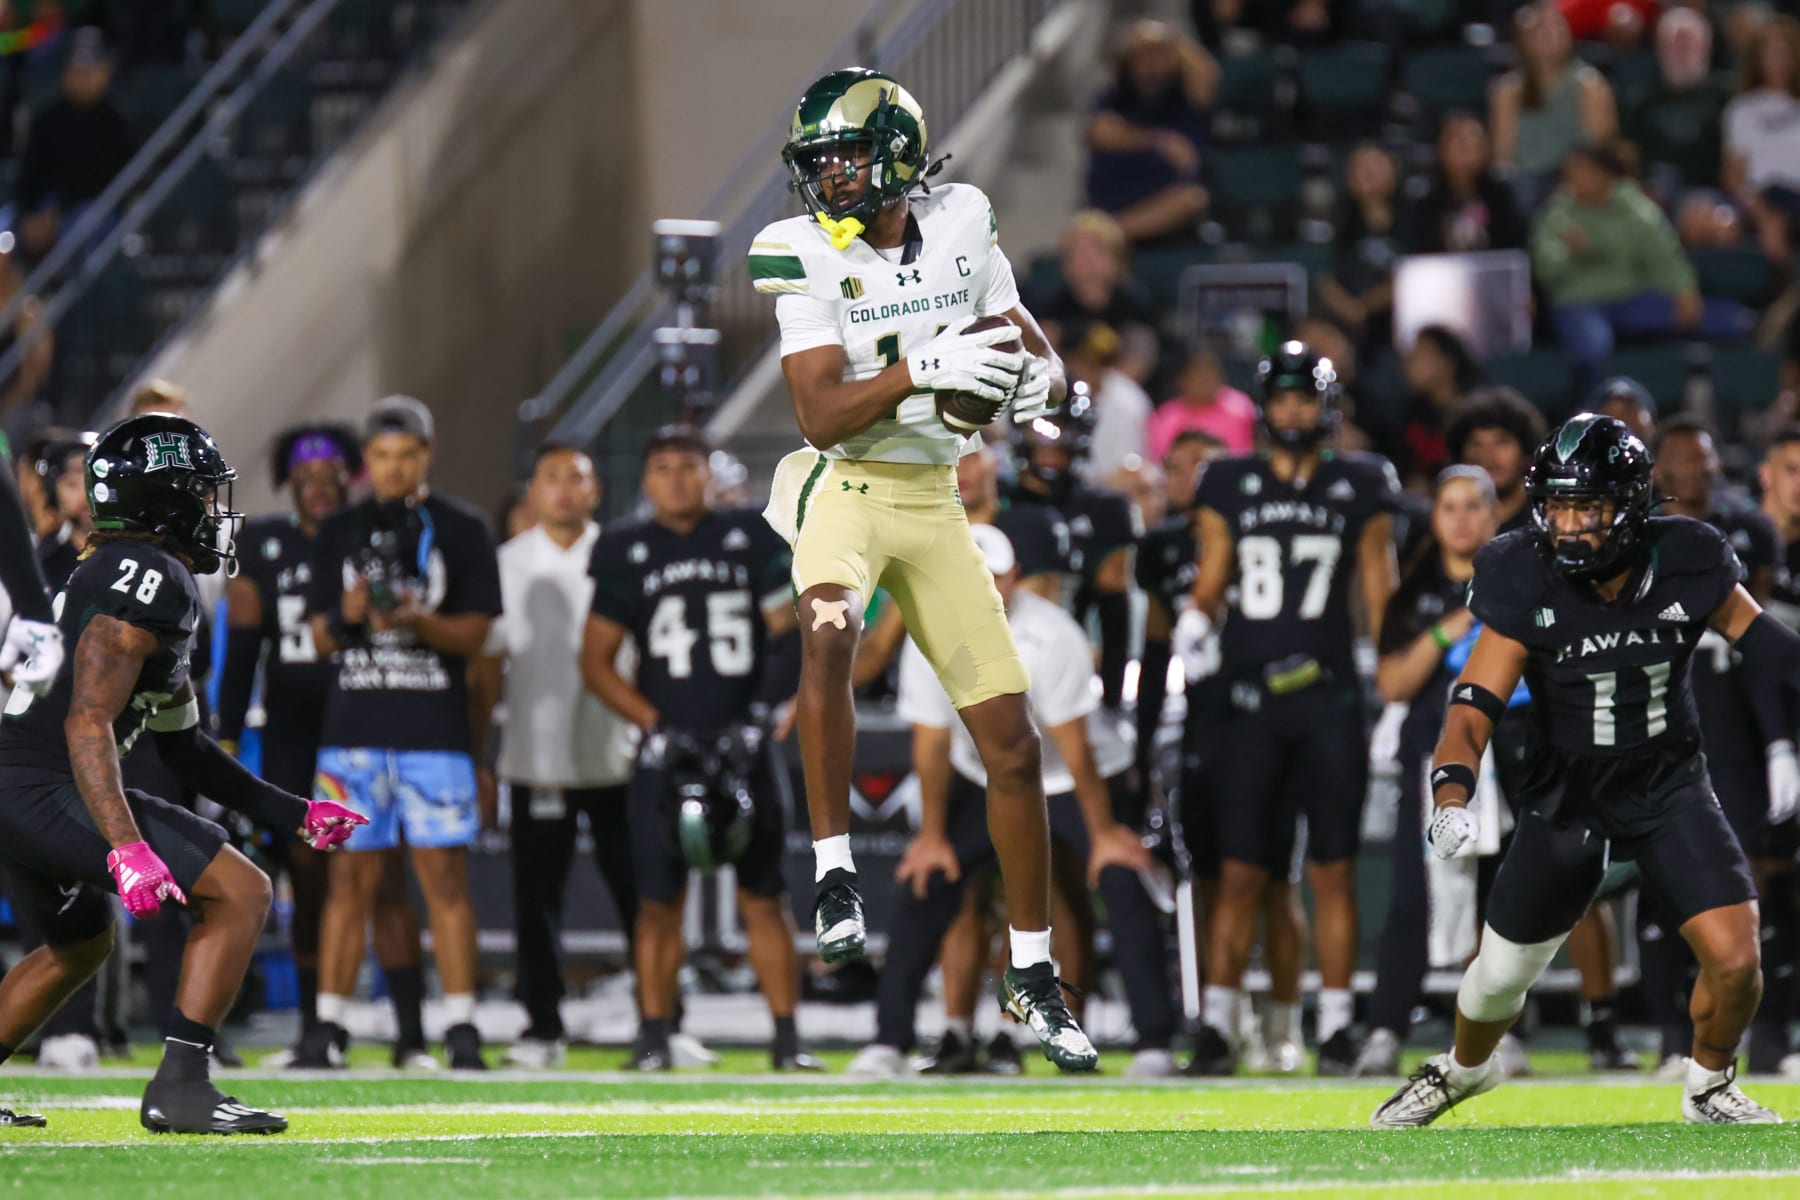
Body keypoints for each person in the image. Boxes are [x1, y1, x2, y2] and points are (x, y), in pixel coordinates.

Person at [751, 67, 1095, 1069]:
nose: (830, 178)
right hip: (845, 486)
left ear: (897, 150)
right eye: (818, 162)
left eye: (846, 155)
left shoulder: (965, 222)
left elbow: (1033, 352)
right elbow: (818, 412)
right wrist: (919, 372)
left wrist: (1047, 383)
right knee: (828, 636)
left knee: (1016, 744)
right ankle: (833, 873)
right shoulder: (802, 250)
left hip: (937, 497)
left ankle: (1032, 975)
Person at [1373, 413, 1785, 1128]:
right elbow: (1471, 710)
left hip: (1668, 786)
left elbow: (1768, 646)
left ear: (1627, 506)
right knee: (1497, 981)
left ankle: (1709, 1085)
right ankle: (1467, 1069)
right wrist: (1451, 793)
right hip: (1568, 798)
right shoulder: (1520, 572)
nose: (1567, 525)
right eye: (1556, 505)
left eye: (1586, 507)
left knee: (1737, 959)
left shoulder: (1689, 558)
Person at [0, 413, 364, 1132]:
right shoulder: (151, 576)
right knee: (241, 892)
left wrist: (293, 813)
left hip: (19, 782)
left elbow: (185, 751)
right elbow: (88, 721)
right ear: (162, 499)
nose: (211, 509)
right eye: (199, 494)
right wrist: (129, 848)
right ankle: (183, 1085)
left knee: (81, 943)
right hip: (41, 780)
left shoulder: (128, 574)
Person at [849, 525, 1162, 1077]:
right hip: (984, 774)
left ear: (1015, 579)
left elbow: (1076, 748)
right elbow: (932, 743)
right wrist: (932, 835)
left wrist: (1104, 832)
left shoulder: (1054, 634)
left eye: (993, 575)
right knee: (929, 880)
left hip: (1072, 779)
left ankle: (1155, 1043)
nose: (985, 587)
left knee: (1118, 877)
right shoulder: (931, 635)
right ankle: (889, 1040)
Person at [1186, 340, 1401, 1075]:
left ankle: (1336, 1025)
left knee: (1333, 871)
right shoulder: (1227, 482)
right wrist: (1194, 622)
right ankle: (1218, 1024)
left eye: (1302, 398)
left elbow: (1380, 589)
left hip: (1330, 696)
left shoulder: (1362, 482)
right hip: (1249, 700)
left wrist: (1393, 678)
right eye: (1280, 398)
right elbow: (1212, 576)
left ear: (1326, 406)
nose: (1292, 411)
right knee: (1242, 872)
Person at [582, 425, 814, 1071]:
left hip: (743, 739)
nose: (676, 478)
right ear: (645, 481)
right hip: (668, 748)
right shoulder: (626, 548)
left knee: (765, 896)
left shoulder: (750, 537)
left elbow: (788, 634)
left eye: (688, 465)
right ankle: (653, 1035)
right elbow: (595, 661)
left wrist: (761, 715)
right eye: (661, 466)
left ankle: (787, 1041)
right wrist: (656, 724)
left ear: (711, 474)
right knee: (657, 902)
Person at [216, 424, 431, 1069]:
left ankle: (411, 1032)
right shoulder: (265, 542)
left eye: (331, 475)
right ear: (289, 482)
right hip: (292, 726)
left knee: (384, 873)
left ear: (351, 477)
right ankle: (319, 1029)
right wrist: (225, 735)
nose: (318, 487)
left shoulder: (376, 532)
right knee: (310, 878)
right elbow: (245, 644)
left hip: (365, 715)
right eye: (306, 478)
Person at [300, 396, 502, 1071]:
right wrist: (349, 613)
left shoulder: (464, 528)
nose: (392, 467)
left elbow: (478, 635)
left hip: (435, 734)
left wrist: (420, 621)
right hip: (352, 733)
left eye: (405, 455)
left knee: (444, 882)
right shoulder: (336, 531)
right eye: (381, 456)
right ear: (368, 462)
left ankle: (463, 1026)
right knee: (347, 882)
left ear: (427, 453)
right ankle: (327, 1027)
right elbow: (319, 637)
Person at [472, 443, 639, 1069]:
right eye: (552, 478)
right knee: (536, 902)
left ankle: (660, 1021)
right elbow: (489, 667)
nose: (565, 489)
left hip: (620, 754)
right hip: (535, 758)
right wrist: (483, 755)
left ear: (595, 491)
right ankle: (542, 1027)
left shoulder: (624, 555)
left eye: (577, 478)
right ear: (533, 492)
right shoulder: (508, 564)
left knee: (642, 894)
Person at [1651, 417, 1794, 1073]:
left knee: (1756, 876)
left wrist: (1780, 743)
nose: (1696, 471)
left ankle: (1764, 1037)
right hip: (1650, 723)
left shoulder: (1743, 536)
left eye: (1704, 459)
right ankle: (1666, 1037)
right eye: (1682, 459)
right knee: (1661, 884)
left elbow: (1755, 640)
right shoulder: (1636, 539)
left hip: (1732, 722)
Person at [1358, 467, 1501, 1077]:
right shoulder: (1415, 590)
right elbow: (1393, 682)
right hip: (1433, 763)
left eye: (1474, 506)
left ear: (1494, 514)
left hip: (1508, 760)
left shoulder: (1518, 584)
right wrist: (1452, 627)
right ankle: (1387, 1029)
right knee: (1410, 901)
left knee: (1501, 905)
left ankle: (1497, 1035)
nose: (1462, 518)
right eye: (1450, 506)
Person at [1532, 143, 1754, 372]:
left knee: (1728, 319)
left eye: (1583, 169)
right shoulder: (1556, 214)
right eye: (1571, 172)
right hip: (1578, 302)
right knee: (1594, 347)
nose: (1575, 177)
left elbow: (1665, 254)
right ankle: (1591, 405)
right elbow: (1547, 272)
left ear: (1604, 173)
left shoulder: (1634, 208)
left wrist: (1684, 289)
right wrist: (1572, 252)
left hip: (1630, 297)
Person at [1011, 388, 1141, 711]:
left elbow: (1115, 619)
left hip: (1067, 670)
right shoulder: (994, 502)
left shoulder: (1104, 509)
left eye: (1064, 429)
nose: (1053, 443)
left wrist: (1113, 699)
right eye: (1042, 427)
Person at [1084, 20, 1215, 244]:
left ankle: (1110, 234)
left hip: (1167, 199)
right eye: (1143, 56)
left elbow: (1209, 76)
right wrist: (1158, 140)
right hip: (1116, 192)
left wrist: (1171, 39)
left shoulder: (1182, 94)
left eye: (1160, 54)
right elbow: (1099, 131)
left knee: (1192, 198)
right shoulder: (1118, 95)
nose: (1152, 63)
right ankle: (1107, 234)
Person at [15, 28, 137, 259]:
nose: (81, 78)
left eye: (89, 70)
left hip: (91, 213)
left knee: (83, 226)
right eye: (76, 71)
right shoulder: (47, 120)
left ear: (105, 72)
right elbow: (28, 178)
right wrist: (29, 215)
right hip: (44, 209)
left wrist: (57, 214)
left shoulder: (118, 122)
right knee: (4, 230)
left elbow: (116, 186)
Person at [1490, 3, 1617, 193]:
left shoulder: (1590, 85)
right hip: (1524, 184)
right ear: (1523, 39)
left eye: (1556, 25)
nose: (1549, 34)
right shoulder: (1508, 90)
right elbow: (1503, 157)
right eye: (1540, 28)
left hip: (1574, 185)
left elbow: (1598, 152)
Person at [1032, 211, 1160, 385]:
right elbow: (1044, 359)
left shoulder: (1135, 305)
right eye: (1077, 254)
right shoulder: (1052, 307)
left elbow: (1139, 360)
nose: (1087, 261)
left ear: (1117, 260)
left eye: (1096, 251)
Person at [1623, 9, 1731, 200]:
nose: (1682, 50)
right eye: (1675, 43)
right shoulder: (1639, 99)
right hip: (1653, 192)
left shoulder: (1728, 96)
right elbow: (1628, 157)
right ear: (1659, 49)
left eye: (1689, 42)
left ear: (1708, 48)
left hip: (1711, 194)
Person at [1722, 15, 1800, 277]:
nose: (1778, 61)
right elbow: (1734, 177)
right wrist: (1765, 217)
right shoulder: (1742, 110)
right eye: (1770, 53)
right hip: (1761, 198)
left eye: (1784, 52)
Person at [1406, 115, 1527, 257]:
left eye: (1474, 146)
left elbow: (1512, 251)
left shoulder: (1501, 198)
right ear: (1441, 149)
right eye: (1459, 145)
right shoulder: (1425, 202)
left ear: (1487, 152)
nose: (1466, 154)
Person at [1319, 142, 1401, 352]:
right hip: (1347, 325)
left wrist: (1365, 306)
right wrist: (1349, 308)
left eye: (1374, 165)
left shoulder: (1414, 219)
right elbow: (1324, 276)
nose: (1366, 173)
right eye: (1358, 167)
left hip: (1401, 320)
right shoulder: (1337, 223)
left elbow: (1417, 272)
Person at [1445, 387, 1547, 535]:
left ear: (1525, 454)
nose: (1488, 456)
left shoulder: (1546, 526)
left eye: (1501, 442)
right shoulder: (1447, 531)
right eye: (1476, 444)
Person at [1391, 325, 1482, 489]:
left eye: (1421, 357)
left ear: (1448, 363)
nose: (1409, 365)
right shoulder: (1413, 413)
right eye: (1410, 357)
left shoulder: (1478, 413)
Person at [1145, 349, 1258, 459]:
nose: (1204, 381)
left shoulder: (1241, 409)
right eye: (1198, 375)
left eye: (1209, 374)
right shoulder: (1167, 415)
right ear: (1182, 380)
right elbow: (1159, 459)